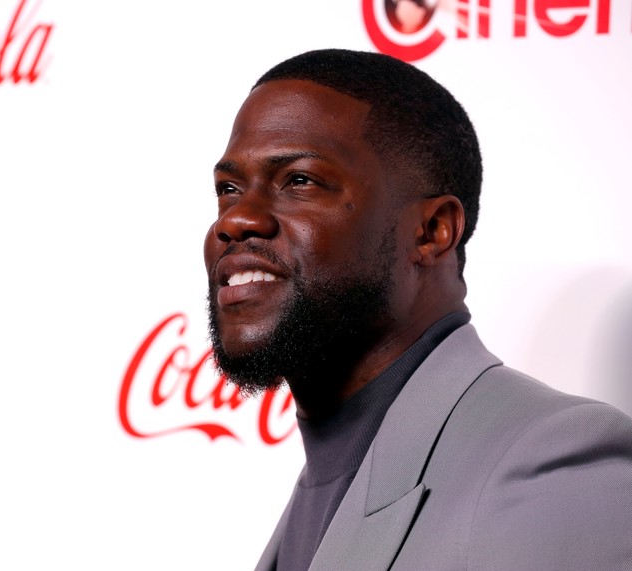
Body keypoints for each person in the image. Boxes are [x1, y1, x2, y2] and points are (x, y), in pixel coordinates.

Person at [203, 48, 632, 571]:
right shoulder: (324, 482)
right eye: (228, 189)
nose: (237, 219)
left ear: (431, 232)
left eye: (300, 180)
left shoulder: (549, 460)